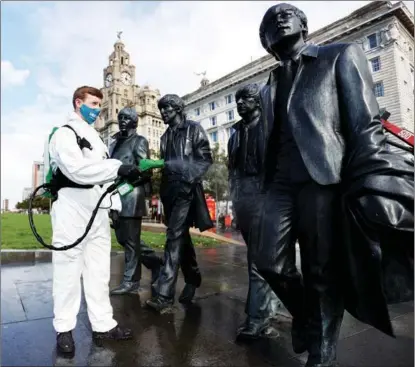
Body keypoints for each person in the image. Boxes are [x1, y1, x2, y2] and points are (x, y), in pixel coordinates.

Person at [256, 4, 413, 367]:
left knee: (321, 269)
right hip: (280, 183)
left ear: (304, 25)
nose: (281, 16)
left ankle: (322, 353)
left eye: (289, 12)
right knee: (269, 262)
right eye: (271, 18)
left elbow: (364, 123)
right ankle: (307, 318)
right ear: (266, 40)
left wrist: (370, 178)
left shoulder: (339, 54)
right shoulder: (268, 85)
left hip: (324, 177)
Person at [49, 86, 145, 354]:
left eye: (99, 106)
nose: (96, 110)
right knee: (68, 270)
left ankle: (103, 324)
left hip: (98, 211)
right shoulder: (65, 135)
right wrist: (118, 167)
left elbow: (104, 178)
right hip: (73, 208)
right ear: (78, 103)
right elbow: (78, 171)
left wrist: (124, 183)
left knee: (99, 272)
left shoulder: (97, 140)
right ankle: (64, 328)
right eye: (92, 103)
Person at [141, 94, 213, 313]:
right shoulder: (164, 137)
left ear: (178, 109)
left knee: (173, 238)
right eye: (161, 109)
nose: (163, 113)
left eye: (167, 109)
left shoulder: (194, 129)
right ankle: (193, 277)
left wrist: (189, 178)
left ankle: (164, 294)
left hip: (187, 191)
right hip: (169, 193)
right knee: (181, 237)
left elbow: (205, 159)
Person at [227, 83, 282, 340]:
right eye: (237, 100)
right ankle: (270, 308)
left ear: (258, 101)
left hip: (267, 198)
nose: (239, 104)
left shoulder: (271, 125)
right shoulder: (235, 132)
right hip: (244, 200)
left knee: (258, 260)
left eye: (245, 99)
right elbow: (232, 170)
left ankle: (257, 317)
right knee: (262, 258)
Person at [109, 107, 163, 295]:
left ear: (134, 121)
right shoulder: (114, 143)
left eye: (126, 118)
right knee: (124, 239)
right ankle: (156, 263)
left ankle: (131, 281)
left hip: (131, 196)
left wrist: (124, 186)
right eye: (120, 117)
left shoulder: (139, 141)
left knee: (131, 241)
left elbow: (145, 171)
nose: (122, 120)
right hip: (115, 197)